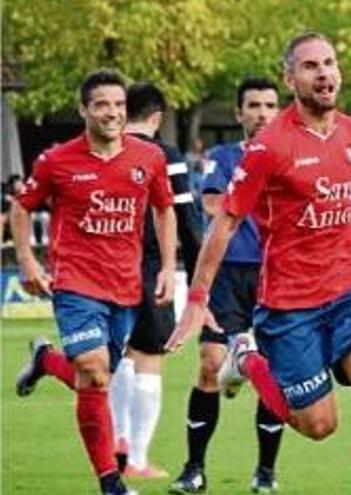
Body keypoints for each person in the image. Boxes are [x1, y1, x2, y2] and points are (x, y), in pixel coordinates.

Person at [164, 32, 351, 495]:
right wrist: (197, 297)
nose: (324, 72)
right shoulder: (269, 147)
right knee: (318, 424)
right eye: (310, 66)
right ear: (291, 78)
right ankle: (247, 360)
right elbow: (224, 223)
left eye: (329, 63)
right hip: (289, 305)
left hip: (348, 292)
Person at [12, 69, 177, 495]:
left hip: (126, 287)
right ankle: (111, 482)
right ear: (83, 109)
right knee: (96, 372)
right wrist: (28, 259)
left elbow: (164, 209)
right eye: (102, 104)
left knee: (93, 378)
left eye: (119, 105)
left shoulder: (149, 158)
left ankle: (46, 359)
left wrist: (166, 266)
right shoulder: (56, 161)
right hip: (75, 283)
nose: (113, 113)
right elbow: (22, 206)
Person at [168, 77, 284, 494]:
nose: (262, 113)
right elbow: (216, 206)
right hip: (228, 272)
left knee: (272, 373)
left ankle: (266, 472)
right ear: (239, 114)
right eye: (253, 105)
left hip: (276, 275)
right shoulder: (223, 157)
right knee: (209, 364)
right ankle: (194, 468)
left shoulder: (290, 156)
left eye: (270, 105)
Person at [108, 81, 202, 479]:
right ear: (157, 117)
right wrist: (201, 280)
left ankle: (118, 441)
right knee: (149, 356)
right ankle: (138, 460)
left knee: (118, 357)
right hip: (147, 266)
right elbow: (186, 220)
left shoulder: (102, 150)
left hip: (102, 265)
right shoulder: (164, 155)